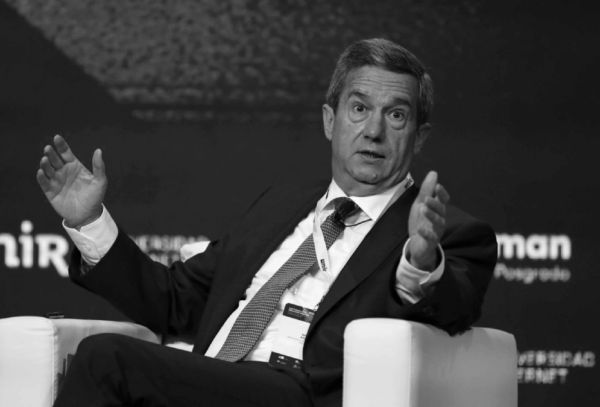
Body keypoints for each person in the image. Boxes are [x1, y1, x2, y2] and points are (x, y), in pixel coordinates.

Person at [37, 38, 497, 407]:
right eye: (359, 108)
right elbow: (174, 303)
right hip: (213, 381)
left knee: (106, 359)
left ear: (419, 137)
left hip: (303, 391)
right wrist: (90, 220)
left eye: (395, 115)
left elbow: (453, 308)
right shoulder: (280, 205)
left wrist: (420, 262)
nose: (373, 131)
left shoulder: (450, 235)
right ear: (330, 121)